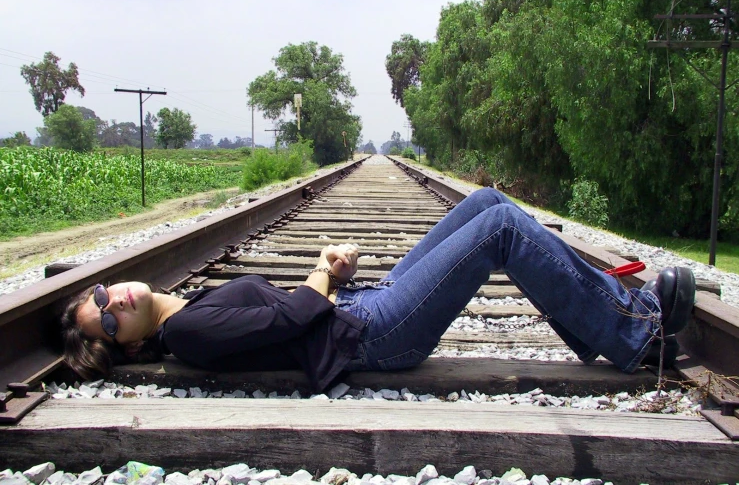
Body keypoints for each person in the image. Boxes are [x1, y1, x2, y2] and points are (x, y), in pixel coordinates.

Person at [61, 188, 696, 392]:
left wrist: (336, 277)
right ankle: (639, 334)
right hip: (375, 335)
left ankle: (606, 322)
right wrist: (322, 268)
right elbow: (299, 316)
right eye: (108, 327)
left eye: (100, 299)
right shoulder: (187, 333)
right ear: (133, 348)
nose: (112, 307)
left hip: (363, 309)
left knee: (485, 201)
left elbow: (302, 310)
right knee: (501, 229)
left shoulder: (190, 309)